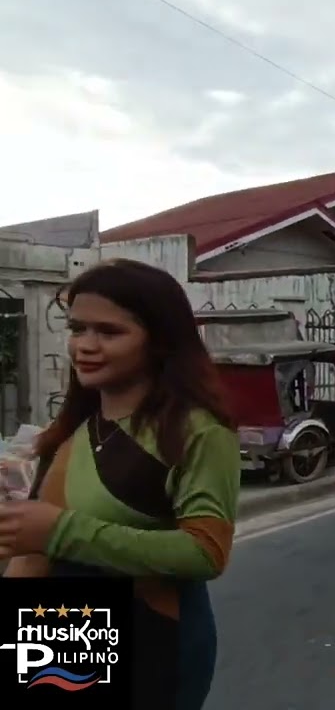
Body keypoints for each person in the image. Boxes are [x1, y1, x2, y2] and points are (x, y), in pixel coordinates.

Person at [1, 259, 240, 710]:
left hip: (152, 638)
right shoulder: (76, 427)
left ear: (158, 341)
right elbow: (33, 549)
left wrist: (58, 530)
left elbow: (207, 552)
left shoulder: (196, 431)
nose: (84, 346)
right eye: (77, 329)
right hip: (61, 634)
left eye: (109, 333)